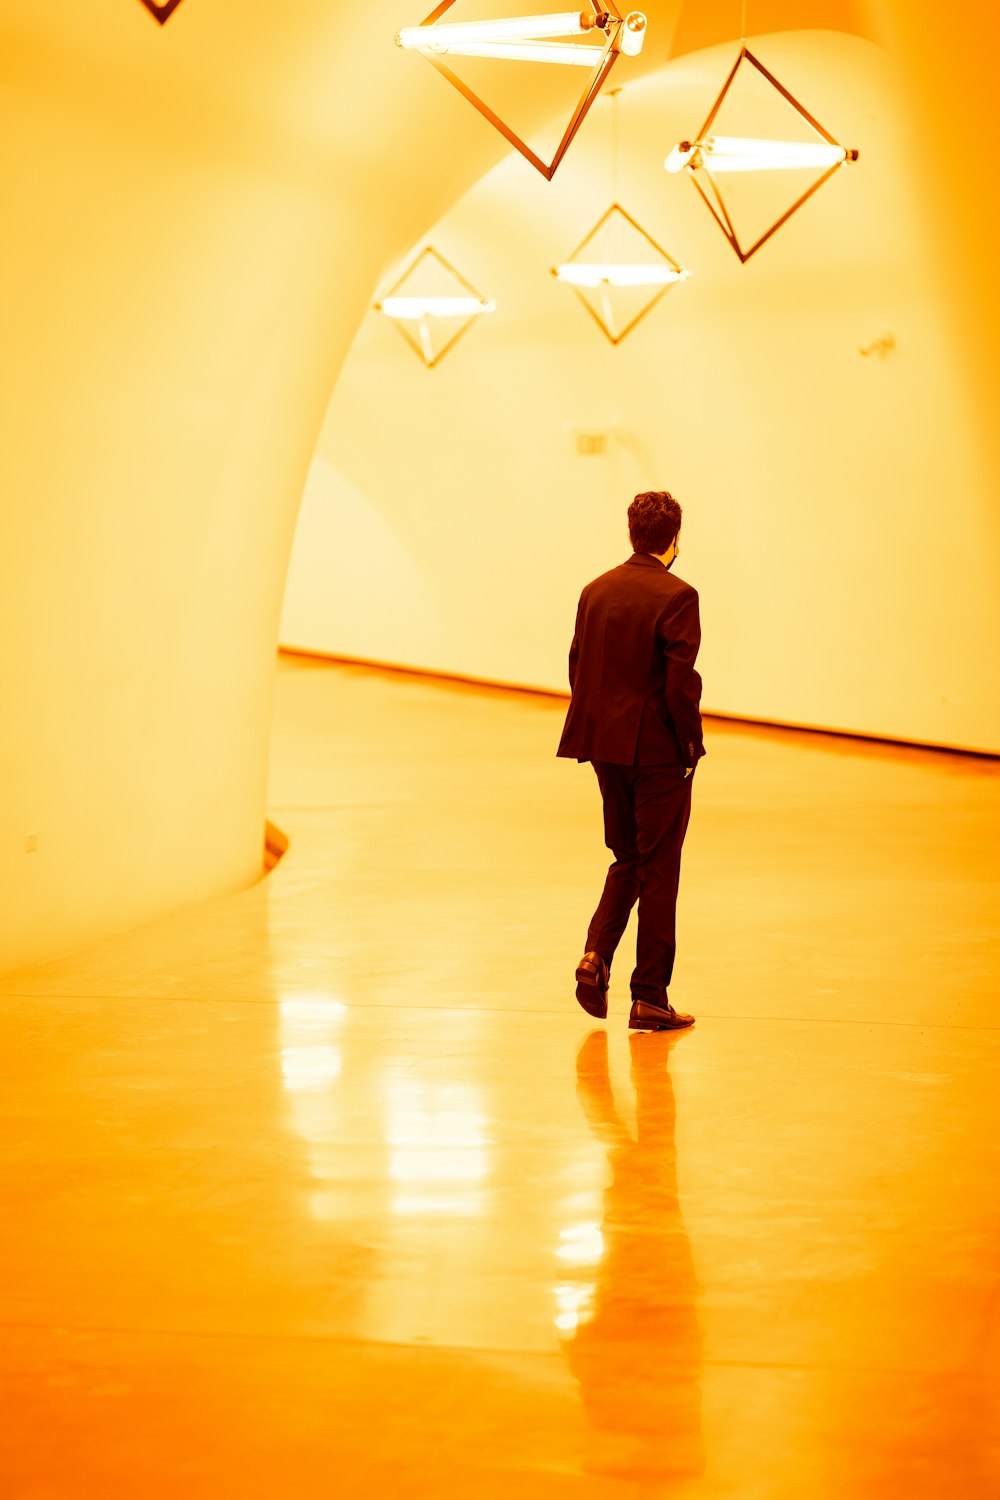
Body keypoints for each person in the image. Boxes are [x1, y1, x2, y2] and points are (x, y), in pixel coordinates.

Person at [557, 491, 705, 1031]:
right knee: (659, 866)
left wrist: (600, 730)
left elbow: (577, 664)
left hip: (603, 746)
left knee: (627, 856)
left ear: (630, 534)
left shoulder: (595, 591)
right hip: (658, 752)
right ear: (675, 538)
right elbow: (680, 685)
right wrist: (690, 748)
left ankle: (594, 957)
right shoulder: (679, 595)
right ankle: (649, 996)